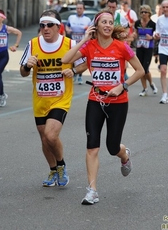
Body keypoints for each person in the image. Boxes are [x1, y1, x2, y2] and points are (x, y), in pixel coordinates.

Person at [62, 10, 144, 205]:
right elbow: (66, 59)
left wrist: (122, 86)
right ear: (96, 26)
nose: (107, 25)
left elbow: (140, 71)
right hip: (96, 101)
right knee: (92, 148)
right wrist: (83, 40)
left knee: (112, 147)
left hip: (118, 102)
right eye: (103, 22)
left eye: (110, 22)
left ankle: (124, 155)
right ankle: (92, 190)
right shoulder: (90, 46)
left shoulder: (122, 47)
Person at [19, 9, 85, 188]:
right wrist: (27, 65)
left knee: (51, 135)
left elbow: (84, 64)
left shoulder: (70, 44)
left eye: (49, 25)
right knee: (44, 139)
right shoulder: (33, 44)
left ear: (59, 27)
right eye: (42, 25)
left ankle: (61, 165)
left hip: (61, 99)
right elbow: (23, 72)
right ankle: (53, 168)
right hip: (40, 99)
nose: (45, 28)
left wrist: (73, 70)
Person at [133, 4, 158, 96]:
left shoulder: (153, 24)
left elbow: (156, 36)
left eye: (145, 12)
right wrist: (134, 36)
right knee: (140, 69)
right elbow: (135, 33)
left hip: (148, 48)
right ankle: (145, 89)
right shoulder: (137, 23)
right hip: (140, 47)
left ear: (149, 13)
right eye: (142, 12)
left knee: (145, 68)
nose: (143, 14)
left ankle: (151, 83)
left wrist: (151, 37)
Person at [65, 2, 92, 85]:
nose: (79, 10)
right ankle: (75, 74)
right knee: (72, 59)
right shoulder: (71, 17)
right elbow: (67, 26)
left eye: (80, 8)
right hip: (73, 42)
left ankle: (80, 75)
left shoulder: (87, 20)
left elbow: (90, 30)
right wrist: (68, 30)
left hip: (83, 43)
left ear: (83, 9)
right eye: (77, 8)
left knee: (81, 60)